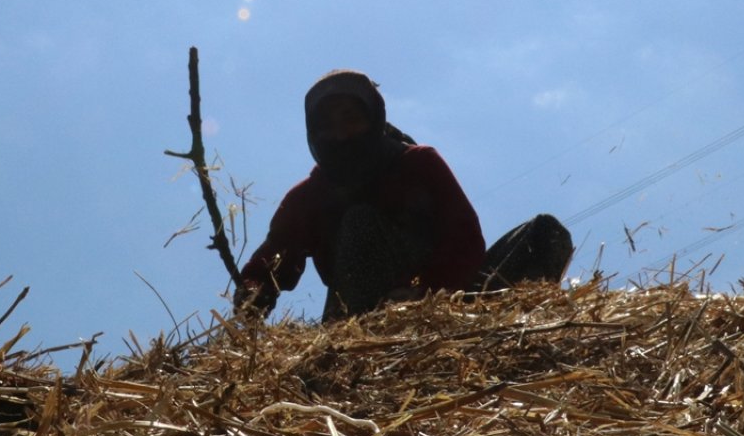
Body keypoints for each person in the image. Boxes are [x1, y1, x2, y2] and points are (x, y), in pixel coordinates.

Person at [234, 69, 574, 321]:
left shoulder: (418, 163)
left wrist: (425, 291)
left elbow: (465, 239)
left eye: (350, 119)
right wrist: (251, 299)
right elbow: (270, 263)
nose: (338, 134)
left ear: (374, 120)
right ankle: (356, 331)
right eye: (326, 125)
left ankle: (511, 330)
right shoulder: (309, 198)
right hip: (365, 323)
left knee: (545, 233)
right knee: (360, 222)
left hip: (448, 306)